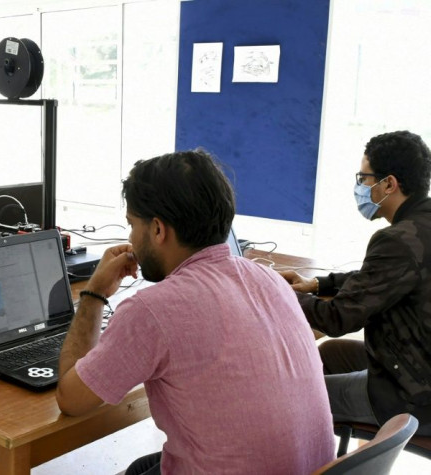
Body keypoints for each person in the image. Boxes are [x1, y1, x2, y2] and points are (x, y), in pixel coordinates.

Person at [56, 150, 334, 474]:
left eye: (132, 225)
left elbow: (71, 400)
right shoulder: (269, 279)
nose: (130, 238)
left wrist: (94, 294)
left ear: (158, 229)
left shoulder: (150, 310)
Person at [280, 130, 431, 437]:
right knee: (329, 354)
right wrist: (318, 285)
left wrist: (275, 292)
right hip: (418, 365)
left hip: (409, 399)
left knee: (285, 399)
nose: (360, 187)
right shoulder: (419, 227)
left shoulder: (397, 240)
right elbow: (382, 278)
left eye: (364, 178)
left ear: (389, 183)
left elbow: (337, 318)